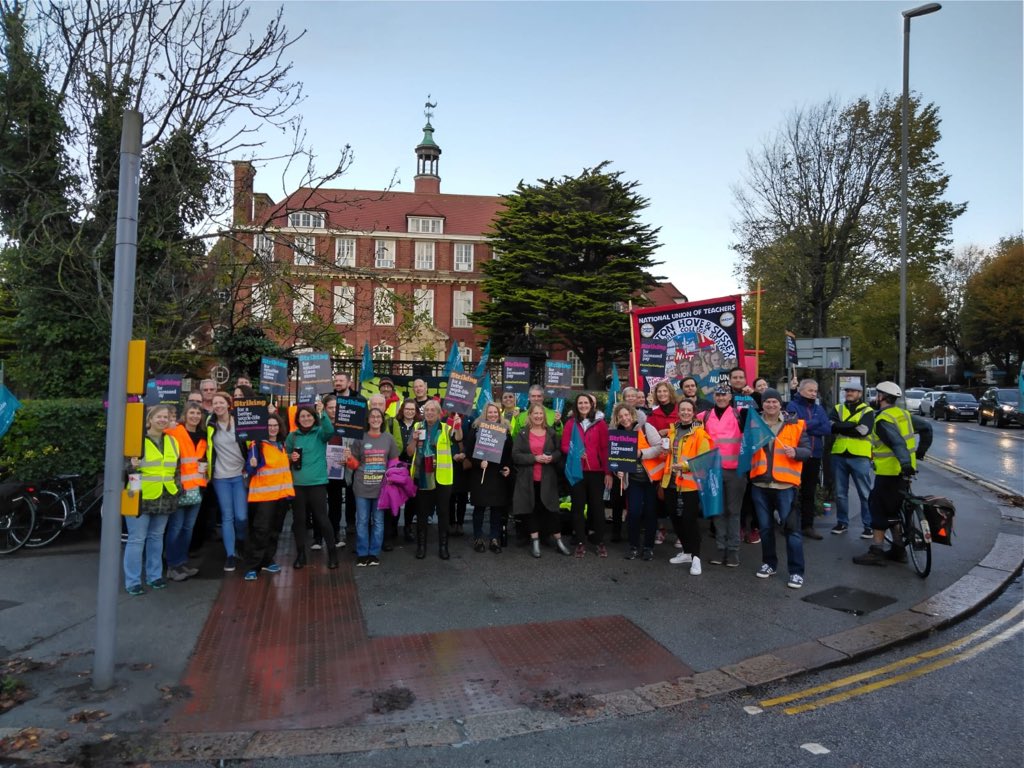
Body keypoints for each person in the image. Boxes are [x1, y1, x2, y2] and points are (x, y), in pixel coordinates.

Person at [853, 382, 933, 566]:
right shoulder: (903, 414)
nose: (874, 398)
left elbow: (897, 443)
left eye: (876, 395)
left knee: (878, 510)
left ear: (881, 397)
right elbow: (927, 429)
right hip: (904, 473)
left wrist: (905, 463)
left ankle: (877, 551)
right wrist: (919, 454)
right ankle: (898, 549)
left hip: (890, 473)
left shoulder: (883, 420)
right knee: (895, 510)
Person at [750, 389, 810, 589]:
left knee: (792, 530)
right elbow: (746, 449)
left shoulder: (796, 425)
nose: (771, 405)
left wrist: (796, 452)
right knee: (765, 529)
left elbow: (807, 451)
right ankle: (769, 563)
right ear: (763, 405)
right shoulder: (754, 424)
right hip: (760, 484)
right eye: (767, 402)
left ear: (780, 405)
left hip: (785, 485)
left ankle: (796, 571)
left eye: (774, 402)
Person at [124, 405, 179, 595]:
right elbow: (124, 468)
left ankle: (154, 576)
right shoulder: (136, 441)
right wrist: (131, 468)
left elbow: (176, 469)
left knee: (156, 538)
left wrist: (177, 488)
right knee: (137, 540)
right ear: (149, 420)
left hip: (164, 496)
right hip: (140, 497)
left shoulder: (172, 441)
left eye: (166, 416)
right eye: (159, 416)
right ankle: (132, 581)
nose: (163, 420)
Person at [698, 384, 748, 567]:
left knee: (733, 513)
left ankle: (733, 552)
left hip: (735, 471)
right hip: (713, 471)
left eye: (724, 394)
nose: (720, 398)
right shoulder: (705, 415)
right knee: (717, 512)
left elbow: (762, 417)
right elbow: (685, 422)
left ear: (730, 396)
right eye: (717, 395)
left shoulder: (739, 413)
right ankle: (721, 550)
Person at [512, 403, 571, 558]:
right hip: (528, 479)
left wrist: (552, 457)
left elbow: (559, 452)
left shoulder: (551, 433)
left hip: (547, 479)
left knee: (552, 510)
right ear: (530, 416)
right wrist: (534, 458)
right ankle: (535, 541)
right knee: (531, 509)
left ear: (544, 416)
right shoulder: (522, 434)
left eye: (541, 414)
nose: (538, 416)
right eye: (535, 413)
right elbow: (515, 455)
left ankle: (559, 541)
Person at [662, 399, 712, 575]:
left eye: (688, 410)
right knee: (675, 518)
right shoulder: (672, 431)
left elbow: (704, 460)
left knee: (689, 521)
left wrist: (684, 466)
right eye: (682, 409)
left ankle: (696, 558)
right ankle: (687, 551)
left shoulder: (700, 434)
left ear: (693, 412)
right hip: (670, 481)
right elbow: (668, 455)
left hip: (690, 483)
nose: (685, 412)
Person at [241, 412, 294, 581]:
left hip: (281, 496)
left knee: (275, 531)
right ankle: (252, 567)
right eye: (269, 425)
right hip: (264, 497)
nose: (272, 428)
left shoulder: (282, 445)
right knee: (261, 531)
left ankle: (267, 560)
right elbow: (250, 470)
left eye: (275, 425)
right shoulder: (257, 445)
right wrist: (252, 465)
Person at [345, 407, 400, 567]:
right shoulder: (359, 439)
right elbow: (354, 465)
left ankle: (374, 553)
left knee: (378, 521)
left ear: (382, 420)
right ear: (368, 420)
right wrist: (348, 459)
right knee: (361, 521)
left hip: (381, 489)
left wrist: (393, 478)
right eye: (372, 417)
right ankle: (362, 554)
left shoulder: (389, 439)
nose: (375, 419)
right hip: (361, 487)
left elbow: (394, 462)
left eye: (378, 417)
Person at [408, 400, 463, 560]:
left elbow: (458, 437)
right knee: (422, 513)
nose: (430, 412)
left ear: (439, 413)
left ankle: (443, 546)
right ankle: (421, 546)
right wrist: (414, 440)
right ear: (424, 412)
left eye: (433, 410)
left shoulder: (445, 427)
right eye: (427, 410)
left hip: (442, 478)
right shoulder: (417, 427)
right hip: (422, 475)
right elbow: (410, 452)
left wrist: (458, 425)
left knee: (443, 513)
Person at [286, 403, 338, 569]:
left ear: (313, 418)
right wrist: (289, 456)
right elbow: (284, 455)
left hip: (317, 484)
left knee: (322, 519)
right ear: (298, 419)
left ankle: (332, 554)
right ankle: (300, 554)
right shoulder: (292, 436)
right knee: (299, 521)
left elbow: (330, 431)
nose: (306, 419)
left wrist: (322, 413)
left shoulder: (320, 433)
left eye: (309, 416)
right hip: (298, 485)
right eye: (303, 416)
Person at [562, 393, 612, 557]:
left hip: (596, 472)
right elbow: (564, 446)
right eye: (580, 403)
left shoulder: (600, 424)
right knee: (577, 507)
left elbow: (605, 449)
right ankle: (581, 541)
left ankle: (599, 541)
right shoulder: (570, 423)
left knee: (597, 507)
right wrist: (576, 453)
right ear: (576, 406)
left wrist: (608, 472)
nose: (583, 405)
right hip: (577, 471)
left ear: (592, 405)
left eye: (586, 403)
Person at [611, 403, 664, 561]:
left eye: (626, 415)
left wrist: (641, 453)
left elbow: (659, 448)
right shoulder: (617, 434)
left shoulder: (646, 428)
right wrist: (617, 470)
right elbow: (615, 460)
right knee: (633, 513)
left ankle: (648, 547)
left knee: (650, 514)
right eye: (621, 416)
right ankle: (633, 546)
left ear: (632, 414)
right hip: (632, 481)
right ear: (617, 419)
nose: (624, 418)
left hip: (650, 480)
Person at [163, 402, 207, 581]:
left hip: (197, 489)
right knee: (176, 528)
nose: (195, 416)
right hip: (180, 489)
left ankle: (181, 562)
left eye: (198, 413)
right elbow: (157, 433)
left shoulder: (203, 436)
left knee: (188, 529)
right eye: (192, 412)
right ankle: (172, 565)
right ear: (185, 414)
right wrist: (168, 424)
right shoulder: (176, 431)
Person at [206, 391, 249, 572]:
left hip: (240, 474)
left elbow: (252, 441)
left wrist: (250, 463)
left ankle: (240, 541)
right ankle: (230, 555)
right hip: (220, 476)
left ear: (228, 404)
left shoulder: (240, 422)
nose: (218, 406)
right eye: (215, 403)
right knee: (227, 516)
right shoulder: (209, 424)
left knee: (241, 516)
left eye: (221, 402)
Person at [785, 378, 832, 541]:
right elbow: (794, 426)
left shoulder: (819, 408)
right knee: (791, 491)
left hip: (815, 455)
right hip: (797, 454)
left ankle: (807, 526)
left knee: (809, 492)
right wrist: (814, 423)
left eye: (815, 391)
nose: (813, 393)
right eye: (810, 390)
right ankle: (789, 525)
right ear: (801, 390)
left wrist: (806, 425)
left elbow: (827, 428)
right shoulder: (793, 406)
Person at [829, 381, 875, 538]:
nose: (849, 393)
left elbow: (863, 431)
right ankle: (842, 523)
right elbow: (831, 426)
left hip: (860, 456)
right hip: (839, 454)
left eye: (853, 391)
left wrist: (842, 426)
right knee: (841, 493)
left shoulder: (868, 411)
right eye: (847, 390)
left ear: (860, 394)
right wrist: (852, 425)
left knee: (865, 493)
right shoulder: (838, 408)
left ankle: (868, 526)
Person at [466, 402, 513, 553]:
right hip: (481, 474)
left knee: (496, 509)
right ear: (484, 414)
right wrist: (478, 462)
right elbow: (468, 452)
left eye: (495, 413)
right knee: (479, 507)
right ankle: (478, 537)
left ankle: (494, 537)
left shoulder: (505, 431)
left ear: (499, 415)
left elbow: (510, 453)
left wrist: (508, 467)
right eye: (490, 413)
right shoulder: (476, 430)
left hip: (498, 475)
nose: (493, 415)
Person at [389, 398, 420, 543]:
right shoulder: (395, 423)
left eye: (412, 410)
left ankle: (408, 527)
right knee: (395, 498)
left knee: (412, 499)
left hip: (413, 465)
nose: (409, 412)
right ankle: (393, 527)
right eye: (407, 409)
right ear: (402, 410)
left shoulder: (419, 425)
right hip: (397, 465)